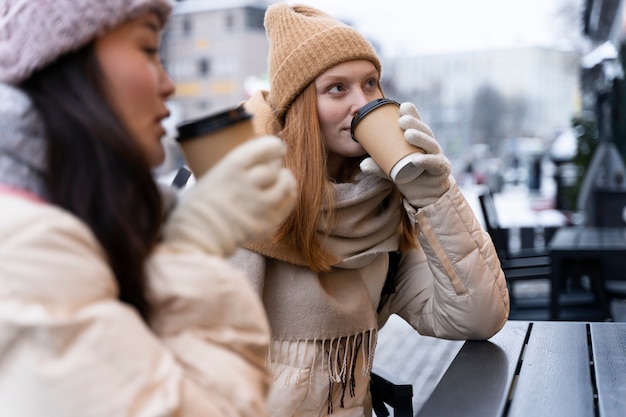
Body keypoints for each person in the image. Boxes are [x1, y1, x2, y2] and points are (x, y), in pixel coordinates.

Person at [0, 0, 297, 416]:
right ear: (65, 63)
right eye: (146, 50)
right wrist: (191, 253)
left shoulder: (101, 216)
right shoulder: (25, 246)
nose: (169, 84)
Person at [228, 3, 510, 416]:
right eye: (337, 88)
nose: (362, 103)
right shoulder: (237, 196)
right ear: (301, 105)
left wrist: (434, 195)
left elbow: (478, 318)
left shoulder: (383, 206)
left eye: (371, 83)